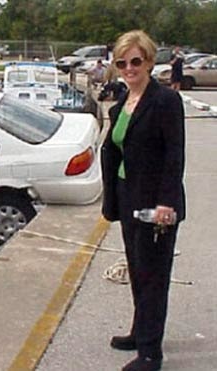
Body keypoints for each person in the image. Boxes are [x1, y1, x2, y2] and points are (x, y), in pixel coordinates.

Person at [101, 30, 186, 371]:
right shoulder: (123, 101)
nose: (128, 67)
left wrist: (167, 203)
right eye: (122, 62)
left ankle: (151, 353)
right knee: (137, 270)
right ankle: (140, 332)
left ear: (149, 61)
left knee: (153, 276)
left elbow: (174, 155)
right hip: (127, 195)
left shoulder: (165, 100)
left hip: (155, 203)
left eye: (136, 61)